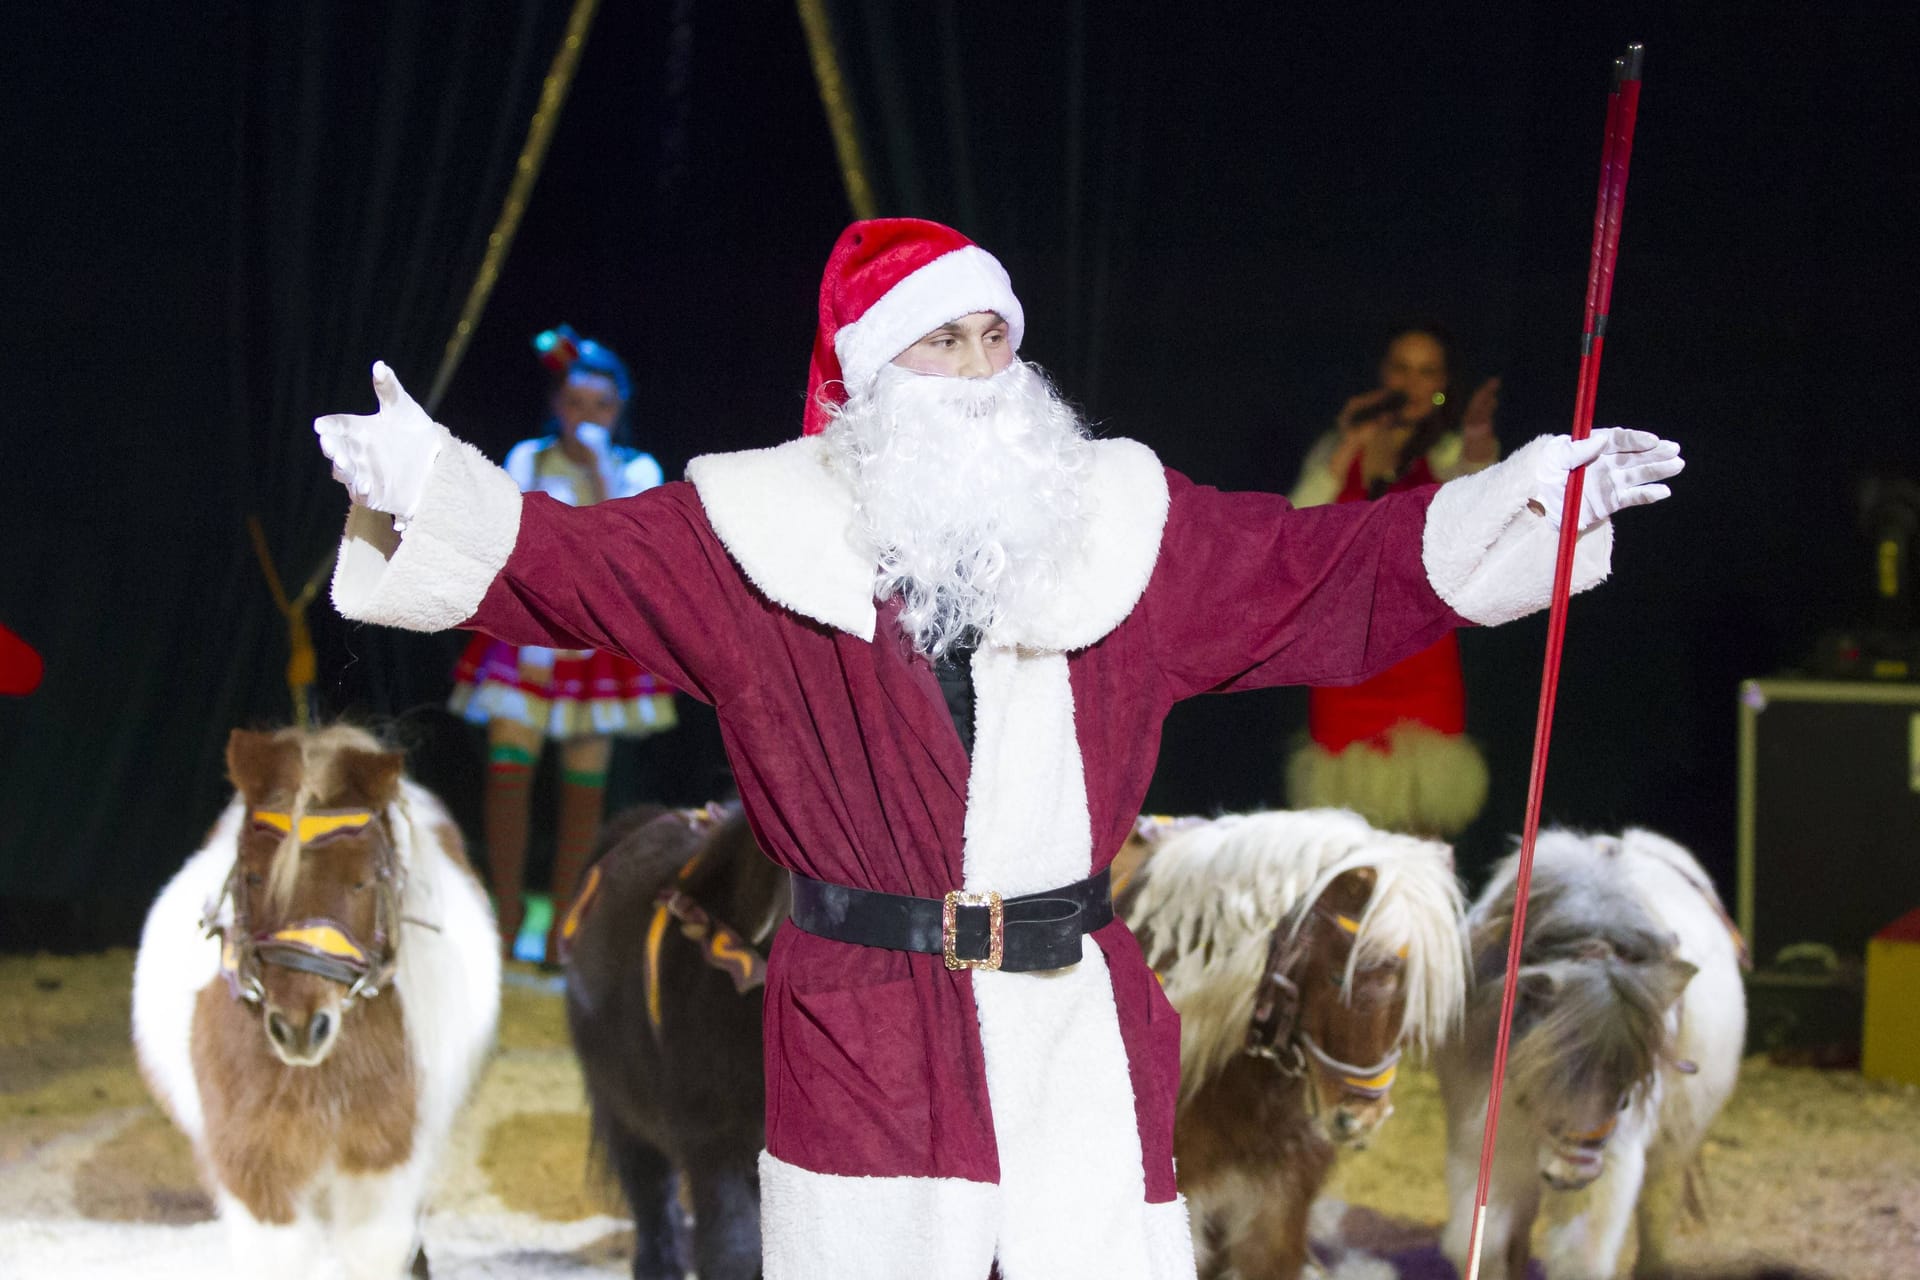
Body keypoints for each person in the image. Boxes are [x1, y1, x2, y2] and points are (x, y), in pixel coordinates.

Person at [317, 218, 1681, 1280]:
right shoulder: (754, 541)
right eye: (940, 342)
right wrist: (424, 483)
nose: (979, 371)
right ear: (864, 377)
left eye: (992, 337)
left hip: (1070, 1025)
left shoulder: (1118, 525)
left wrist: (1529, 503)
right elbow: (566, 566)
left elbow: (1319, 567)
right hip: (865, 1029)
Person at [446, 327, 678, 963]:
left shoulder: (638, 471)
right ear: (556, 404)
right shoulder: (528, 458)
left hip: (596, 647)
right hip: (527, 641)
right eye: (575, 402)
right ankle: (506, 909)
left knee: (584, 790)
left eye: (601, 405)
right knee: (508, 775)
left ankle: (561, 925)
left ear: (619, 410)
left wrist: (600, 467)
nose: (587, 417)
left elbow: (625, 541)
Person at [1287, 327, 1502, 836]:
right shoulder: (1343, 446)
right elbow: (1296, 526)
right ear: (1384, 376)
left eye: (1427, 371)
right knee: (1346, 838)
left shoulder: (1450, 451)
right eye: (1402, 368)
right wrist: (1347, 446)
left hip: (1419, 654)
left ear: (1443, 383)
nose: (1412, 382)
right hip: (1346, 656)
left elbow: (1480, 499)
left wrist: (1476, 439)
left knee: (1423, 829)